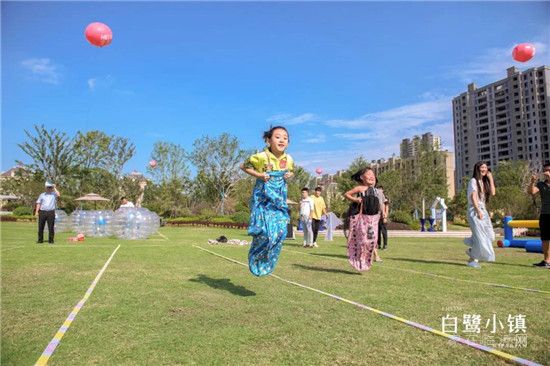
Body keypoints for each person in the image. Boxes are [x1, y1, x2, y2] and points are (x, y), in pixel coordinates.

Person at [240, 126, 294, 276]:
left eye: (285, 137)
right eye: (277, 137)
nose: (282, 139)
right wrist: (259, 175)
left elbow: (291, 170)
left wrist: (289, 175)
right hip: (264, 197)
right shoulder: (261, 156)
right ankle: (255, 256)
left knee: (281, 232)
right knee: (266, 232)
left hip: (279, 199)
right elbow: (243, 166)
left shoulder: (288, 159)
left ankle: (268, 261)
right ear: (268, 140)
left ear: (288, 142)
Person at [344, 168, 386, 270]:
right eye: (369, 174)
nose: (372, 176)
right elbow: (346, 194)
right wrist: (356, 199)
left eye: (373, 174)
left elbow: (381, 204)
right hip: (362, 219)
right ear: (362, 177)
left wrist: (384, 213)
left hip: (374, 220)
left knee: (373, 239)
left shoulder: (378, 191)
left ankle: (369, 257)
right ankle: (358, 258)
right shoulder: (360, 188)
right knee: (363, 240)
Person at [463, 161, 496, 268]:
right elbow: (473, 197)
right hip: (475, 210)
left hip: (483, 210)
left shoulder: (484, 182)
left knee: (490, 236)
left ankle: (472, 251)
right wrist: (478, 211)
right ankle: (472, 260)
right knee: (480, 237)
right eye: (482, 167)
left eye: (486, 168)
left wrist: (490, 179)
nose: (484, 169)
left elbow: (493, 193)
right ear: (477, 169)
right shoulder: (473, 181)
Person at [528, 162, 550, 268]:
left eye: (549, 170)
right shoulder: (541, 184)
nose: (546, 172)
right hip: (545, 214)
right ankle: (547, 261)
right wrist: (532, 182)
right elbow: (531, 192)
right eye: (545, 170)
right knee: (545, 238)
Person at [377, 185, 389, 250]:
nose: (380, 190)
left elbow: (387, 207)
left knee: (384, 232)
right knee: (377, 232)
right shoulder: (377, 197)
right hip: (377, 217)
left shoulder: (385, 198)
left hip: (383, 217)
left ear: (383, 190)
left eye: (381, 189)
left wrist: (385, 216)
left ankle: (385, 245)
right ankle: (378, 244)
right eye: (378, 189)